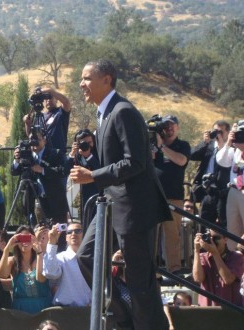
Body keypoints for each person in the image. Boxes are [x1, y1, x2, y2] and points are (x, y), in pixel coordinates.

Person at [70, 59, 171, 329]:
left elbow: (136, 161)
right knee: (86, 258)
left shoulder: (123, 111)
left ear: (107, 79)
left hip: (134, 209)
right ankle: (125, 313)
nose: (82, 84)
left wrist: (93, 175)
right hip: (111, 207)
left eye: (88, 78)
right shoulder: (104, 113)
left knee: (141, 281)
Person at [153, 115, 191, 273]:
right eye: (166, 126)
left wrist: (162, 148)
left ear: (178, 127)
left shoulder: (183, 145)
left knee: (172, 236)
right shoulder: (153, 144)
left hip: (174, 197)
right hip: (153, 196)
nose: (169, 128)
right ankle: (152, 271)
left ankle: (174, 271)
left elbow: (182, 161)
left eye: (172, 125)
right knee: (151, 237)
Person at [11, 129, 69, 227]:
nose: (34, 142)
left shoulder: (55, 153)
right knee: (38, 234)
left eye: (37, 139)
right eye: (31, 139)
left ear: (44, 140)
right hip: (34, 202)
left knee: (59, 233)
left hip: (54, 201)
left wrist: (42, 170)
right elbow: (14, 172)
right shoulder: (26, 154)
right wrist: (17, 160)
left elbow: (63, 171)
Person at [0, 225, 51, 314]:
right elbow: (2, 274)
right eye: (21, 238)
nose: (24, 242)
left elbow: (41, 279)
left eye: (28, 238)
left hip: (43, 307)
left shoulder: (41, 258)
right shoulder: (12, 261)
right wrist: (7, 249)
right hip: (20, 309)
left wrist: (39, 252)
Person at [191, 120, 231, 228]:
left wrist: (222, 146)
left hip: (223, 193)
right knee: (203, 224)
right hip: (207, 191)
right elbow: (192, 155)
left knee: (224, 226)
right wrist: (205, 142)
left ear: (228, 132)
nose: (217, 134)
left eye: (220, 132)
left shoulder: (232, 148)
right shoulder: (209, 146)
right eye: (215, 131)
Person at [42, 221, 91, 307]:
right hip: (65, 312)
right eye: (69, 232)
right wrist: (52, 243)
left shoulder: (92, 258)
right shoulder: (60, 258)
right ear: (66, 238)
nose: (73, 234)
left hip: (88, 311)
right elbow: (50, 273)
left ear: (84, 235)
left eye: (77, 231)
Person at [192, 229, 244, 306]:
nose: (212, 241)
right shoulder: (202, 257)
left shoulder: (237, 258)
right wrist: (196, 250)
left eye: (216, 238)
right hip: (207, 311)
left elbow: (228, 279)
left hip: (231, 311)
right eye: (210, 238)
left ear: (225, 239)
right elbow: (197, 278)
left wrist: (215, 253)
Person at [215, 121, 244, 251]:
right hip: (233, 191)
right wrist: (228, 142)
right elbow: (221, 160)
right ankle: (235, 264)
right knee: (233, 231)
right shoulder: (235, 151)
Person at [23, 87, 71, 154]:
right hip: (42, 154)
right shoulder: (39, 116)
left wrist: (50, 90)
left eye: (50, 97)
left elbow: (66, 102)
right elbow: (31, 136)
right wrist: (27, 124)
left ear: (56, 99)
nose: (48, 100)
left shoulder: (60, 112)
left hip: (57, 154)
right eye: (46, 98)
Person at [66, 129, 99, 217]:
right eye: (83, 143)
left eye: (90, 142)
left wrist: (89, 156)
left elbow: (100, 169)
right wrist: (72, 154)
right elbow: (65, 170)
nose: (87, 145)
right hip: (81, 196)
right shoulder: (77, 155)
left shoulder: (99, 153)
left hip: (97, 193)